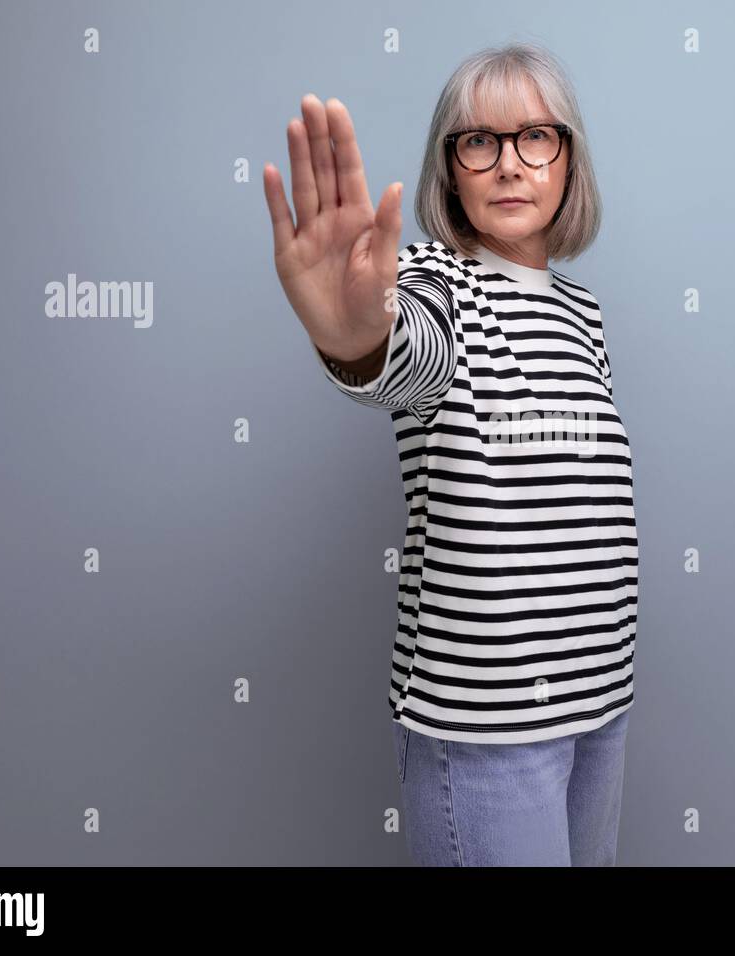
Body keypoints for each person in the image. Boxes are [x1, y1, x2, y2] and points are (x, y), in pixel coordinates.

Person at [261, 42, 637, 866]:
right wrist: (354, 333)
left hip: (601, 699)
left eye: (535, 137)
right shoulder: (436, 281)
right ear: (451, 169)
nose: (509, 164)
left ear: (568, 160)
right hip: (489, 723)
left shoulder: (584, 313)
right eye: (479, 142)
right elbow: (402, 352)